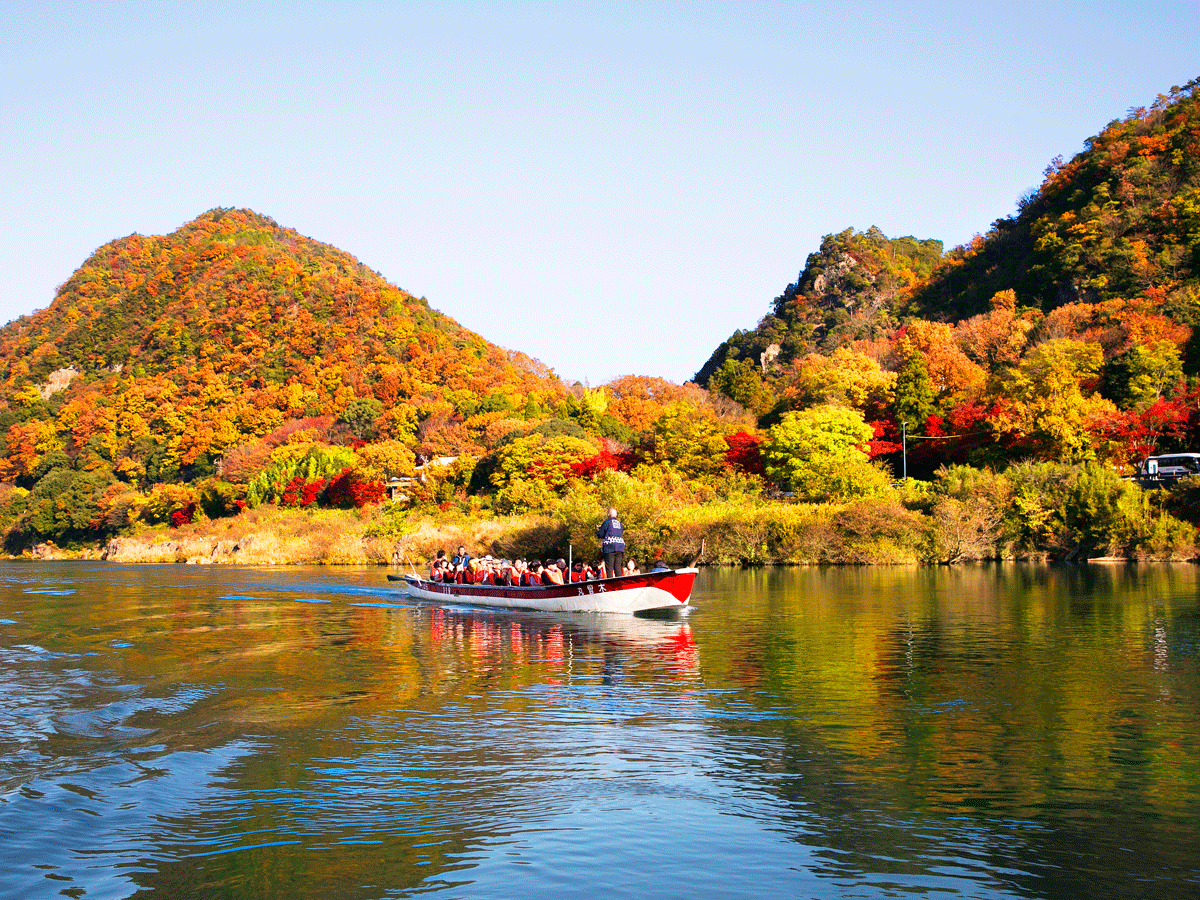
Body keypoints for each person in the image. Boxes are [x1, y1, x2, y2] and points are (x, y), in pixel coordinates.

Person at [596, 508, 625, 579]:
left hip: (610, 547)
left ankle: (611, 585)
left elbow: (600, 535)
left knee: (609, 568)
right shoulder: (620, 524)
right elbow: (614, 531)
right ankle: (619, 584)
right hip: (620, 547)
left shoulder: (606, 523)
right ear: (616, 515)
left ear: (608, 514)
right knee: (617, 567)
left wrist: (599, 529)